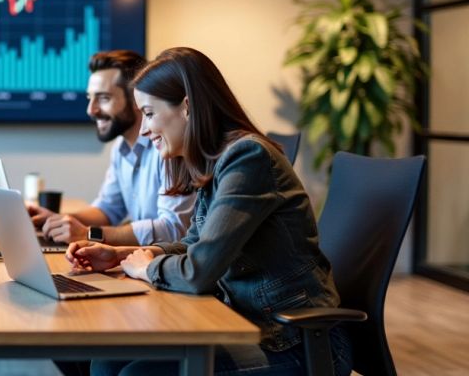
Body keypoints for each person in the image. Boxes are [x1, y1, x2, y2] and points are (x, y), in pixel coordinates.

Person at [67, 47, 352, 376]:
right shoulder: (214, 160)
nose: (143, 128)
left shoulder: (247, 157)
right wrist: (121, 255)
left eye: (149, 113)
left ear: (186, 107)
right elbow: (193, 243)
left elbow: (198, 271)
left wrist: (147, 269)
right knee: (106, 361)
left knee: (136, 374)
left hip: (296, 345)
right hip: (247, 324)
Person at [30, 50, 195, 246]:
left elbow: (173, 229)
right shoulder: (120, 148)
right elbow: (108, 209)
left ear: (136, 98)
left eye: (104, 98)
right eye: (90, 98)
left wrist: (90, 234)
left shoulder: (168, 146)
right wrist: (58, 219)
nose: (91, 110)